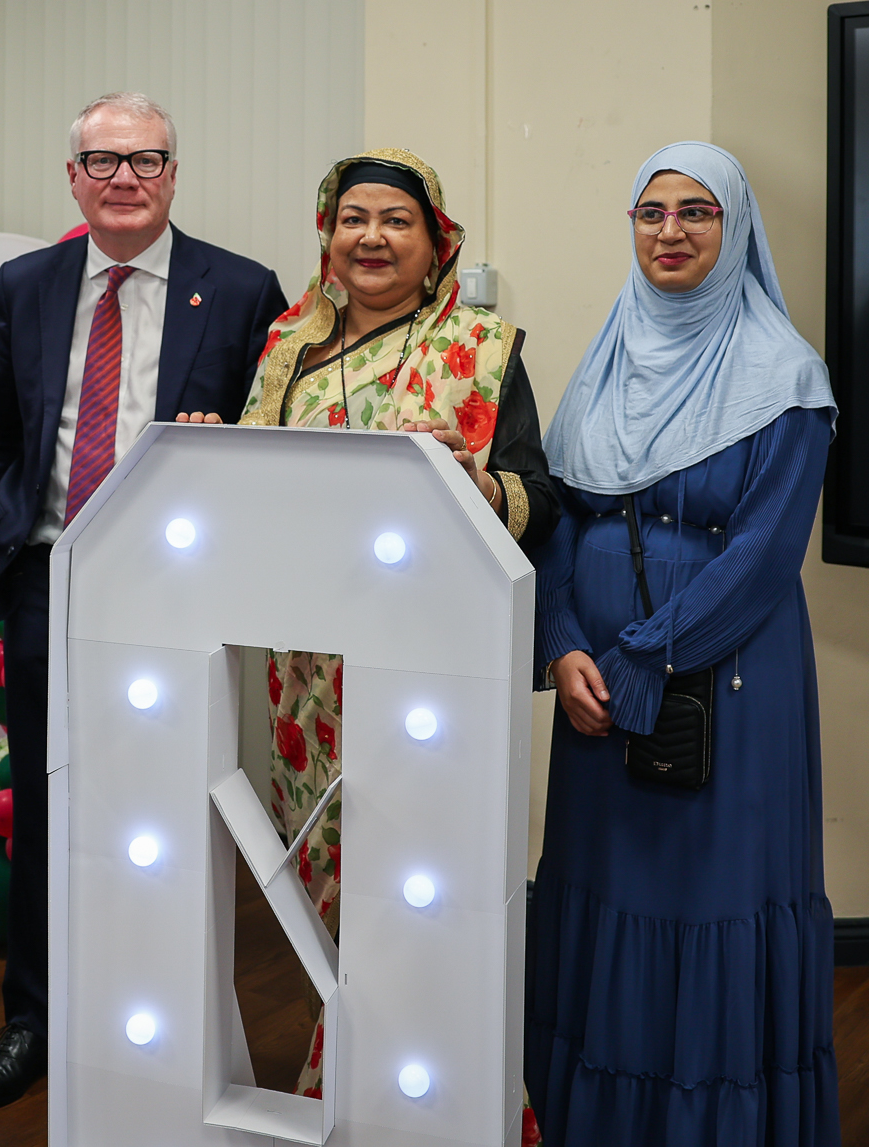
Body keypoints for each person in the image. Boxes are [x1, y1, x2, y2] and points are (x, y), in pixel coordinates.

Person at [0, 92, 286, 1114]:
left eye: (144, 160)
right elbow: (0, 425)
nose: (123, 180)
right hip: (48, 582)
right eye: (101, 163)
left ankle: (154, 1009)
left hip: (172, 596)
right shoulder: (28, 282)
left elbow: (264, 444)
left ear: (173, 175)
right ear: (71, 180)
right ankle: (36, 1017)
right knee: (49, 813)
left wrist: (213, 447)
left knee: (165, 812)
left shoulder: (238, 291)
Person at [526, 142, 839, 1145]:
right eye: (649, 213)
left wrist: (644, 657)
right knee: (601, 893)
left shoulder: (784, 376)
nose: (668, 232)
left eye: (695, 212)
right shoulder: (606, 357)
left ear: (732, 226)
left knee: (710, 900)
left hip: (723, 681)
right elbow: (566, 516)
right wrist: (563, 644)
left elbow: (760, 555)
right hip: (592, 687)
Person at [234, 147, 559, 1100]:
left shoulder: (486, 348)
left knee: (421, 883)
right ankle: (365, 1069)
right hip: (304, 678)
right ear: (328, 237)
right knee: (326, 885)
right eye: (353, 219)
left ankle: (420, 1085)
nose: (371, 237)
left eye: (396, 221)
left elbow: (540, 498)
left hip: (429, 665)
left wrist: (477, 483)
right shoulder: (285, 345)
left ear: (435, 239)